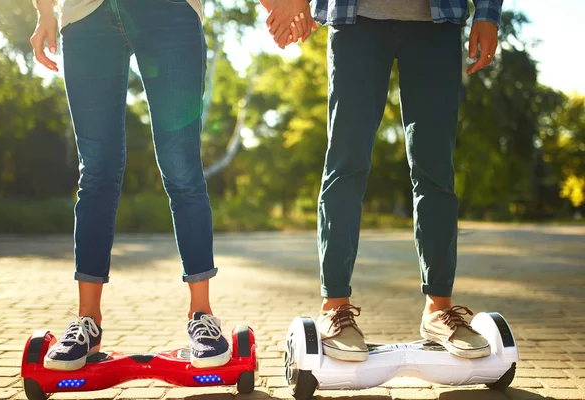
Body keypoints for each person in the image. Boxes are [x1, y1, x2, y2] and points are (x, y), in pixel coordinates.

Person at [264, 0, 503, 361]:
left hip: (437, 21)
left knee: (435, 169)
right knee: (346, 163)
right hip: (356, 18)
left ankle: (438, 309)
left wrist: (487, 13)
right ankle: (335, 308)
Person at [30, 0, 229, 370]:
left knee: (181, 166)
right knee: (96, 172)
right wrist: (44, 12)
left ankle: (202, 316)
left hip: (170, 11)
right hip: (86, 15)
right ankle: (87, 322)